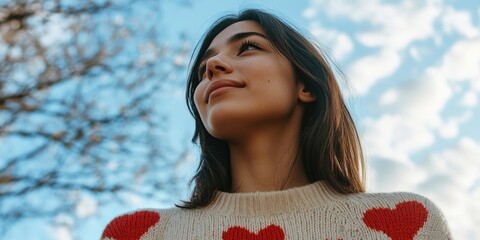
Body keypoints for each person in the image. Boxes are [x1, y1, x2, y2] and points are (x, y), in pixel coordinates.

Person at [101, 9, 452, 239]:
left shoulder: (410, 225)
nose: (212, 68)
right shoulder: (138, 234)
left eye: (248, 48)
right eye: (202, 68)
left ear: (306, 86)